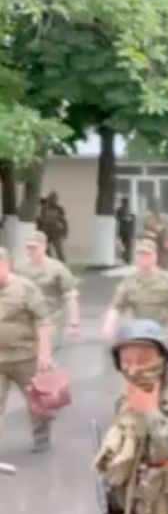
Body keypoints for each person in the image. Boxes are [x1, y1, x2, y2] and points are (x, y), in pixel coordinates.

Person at [93, 319, 168, 514]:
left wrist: (150, 411)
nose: (133, 370)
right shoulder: (126, 400)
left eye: (143, 360)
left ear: (164, 358)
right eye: (126, 361)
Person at [0, 247, 53, 453]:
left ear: (6, 264)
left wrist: (44, 354)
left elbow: (43, 320)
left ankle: (41, 434)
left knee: (36, 401)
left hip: (25, 358)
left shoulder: (25, 288)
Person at [101, 239, 168, 353]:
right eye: (140, 255)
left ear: (155, 257)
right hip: (136, 332)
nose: (143, 258)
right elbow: (116, 307)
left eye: (147, 255)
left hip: (161, 331)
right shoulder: (129, 281)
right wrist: (108, 325)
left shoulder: (167, 281)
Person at [17, 231, 81, 353]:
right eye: (28, 247)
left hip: (51, 319)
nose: (30, 251)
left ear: (44, 247)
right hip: (26, 319)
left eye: (34, 247)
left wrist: (74, 323)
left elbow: (71, 296)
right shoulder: (19, 267)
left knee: (45, 352)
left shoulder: (57, 269)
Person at [142, 199, 168, 271]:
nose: (157, 209)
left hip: (162, 241)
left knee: (165, 255)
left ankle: (164, 266)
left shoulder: (166, 219)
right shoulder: (148, 218)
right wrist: (155, 229)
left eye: (158, 206)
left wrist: (164, 233)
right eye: (155, 207)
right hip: (152, 241)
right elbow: (146, 229)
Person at [37, 191, 68, 262]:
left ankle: (62, 264)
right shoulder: (44, 208)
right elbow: (41, 219)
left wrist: (65, 231)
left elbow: (63, 221)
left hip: (56, 232)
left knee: (59, 250)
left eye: (55, 199)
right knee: (47, 251)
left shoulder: (59, 209)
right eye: (51, 198)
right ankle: (49, 263)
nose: (53, 201)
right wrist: (39, 229)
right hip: (46, 231)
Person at [115, 197, 137, 265]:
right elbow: (118, 218)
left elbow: (134, 218)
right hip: (124, 230)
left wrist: (131, 217)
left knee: (128, 245)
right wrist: (124, 218)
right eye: (124, 202)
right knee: (125, 244)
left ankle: (127, 258)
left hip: (128, 231)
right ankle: (126, 257)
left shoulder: (130, 210)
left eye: (126, 202)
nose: (125, 204)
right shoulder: (119, 210)